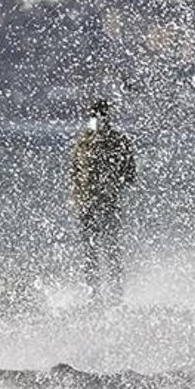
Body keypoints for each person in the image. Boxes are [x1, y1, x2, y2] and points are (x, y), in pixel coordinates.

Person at [70, 98, 137, 306]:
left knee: (106, 250)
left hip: (101, 203)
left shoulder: (89, 141)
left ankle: (110, 294)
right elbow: (74, 173)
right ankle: (97, 295)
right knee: (97, 251)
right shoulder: (85, 140)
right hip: (91, 204)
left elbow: (130, 174)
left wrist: (111, 185)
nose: (99, 119)